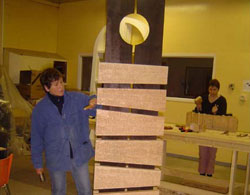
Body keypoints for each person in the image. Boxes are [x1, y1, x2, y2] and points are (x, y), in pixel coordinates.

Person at [31, 68, 97, 195]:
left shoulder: (76, 99)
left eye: (61, 82)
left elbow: (93, 106)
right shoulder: (40, 109)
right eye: (56, 84)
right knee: (58, 191)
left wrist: (94, 100)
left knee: (86, 191)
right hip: (56, 156)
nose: (61, 86)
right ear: (46, 88)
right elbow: (36, 137)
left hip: (79, 153)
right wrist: (38, 163)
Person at [194, 79, 227, 177]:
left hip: (215, 130)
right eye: (210, 89)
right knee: (202, 153)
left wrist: (215, 112)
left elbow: (223, 116)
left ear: (218, 90)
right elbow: (198, 112)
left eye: (214, 90)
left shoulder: (222, 100)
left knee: (212, 154)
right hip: (203, 128)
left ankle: (209, 173)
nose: (212, 92)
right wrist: (198, 106)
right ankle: (201, 172)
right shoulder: (203, 97)